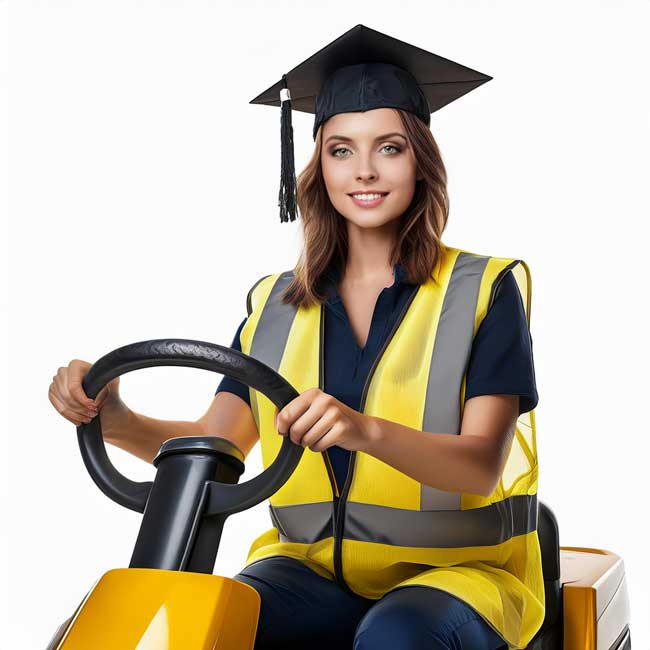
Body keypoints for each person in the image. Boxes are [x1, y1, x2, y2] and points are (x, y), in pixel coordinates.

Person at [48, 25, 543, 650]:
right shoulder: (276, 306)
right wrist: (114, 419)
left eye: (388, 148)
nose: (364, 171)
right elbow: (214, 453)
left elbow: (480, 466)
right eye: (341, 150)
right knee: (199, 624)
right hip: (307, 570)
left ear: (420, 159)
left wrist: (363, 429)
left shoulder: (484, 289)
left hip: (457, 577)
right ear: (318, 167)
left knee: (396, 638)